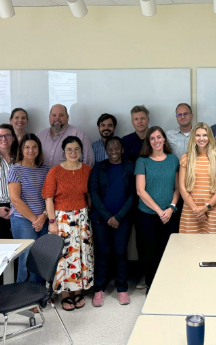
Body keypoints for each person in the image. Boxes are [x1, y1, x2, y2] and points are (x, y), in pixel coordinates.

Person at [43, 136, 93, 311]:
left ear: (81, 151)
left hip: (82, 219)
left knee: (80, 254)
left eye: (77, 149)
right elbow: (48, 198)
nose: (73, 153)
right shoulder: (55, 171)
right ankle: (65, 293)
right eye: (69, 150)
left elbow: (89, 195)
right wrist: (51, 222)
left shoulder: (87, 170)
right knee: (64, 257)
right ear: (63, 151)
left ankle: (78, 291)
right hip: (61, 219)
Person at [89, 137, 135, 307]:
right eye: (111, 149)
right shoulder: (98, 168)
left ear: (122, 150)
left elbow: (133, 195)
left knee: (121, 253)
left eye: (117, 148)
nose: (114, 151)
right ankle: (99, 289)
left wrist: (119, 217)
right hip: (102, 219)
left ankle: (122, 289)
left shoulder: (129, 167)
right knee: (102, 253)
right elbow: (93, 194)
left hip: (122, 219)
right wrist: (108, 216)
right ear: (106, 151)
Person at [135, 126, 180, 291]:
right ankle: (151, 286)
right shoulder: (142, 161)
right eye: (152, 138)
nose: (156, 141)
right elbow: (140, 190)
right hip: (148, 215)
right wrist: (159, 211)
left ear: (164, 139)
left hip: (170, 214)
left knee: (169, 251)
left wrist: (170, 208)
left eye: (159, 137)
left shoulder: (173, 160)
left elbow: (177, 188)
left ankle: (167, 286)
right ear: (148, 142)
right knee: (149, 252)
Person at [7, 134, 51, 283]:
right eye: (27, 147)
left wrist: (44, 216)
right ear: (21, 149)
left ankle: (38, 292)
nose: (31, 150)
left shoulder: (46, 170)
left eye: (34, 147)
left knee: (42, 256)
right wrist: (34, 220)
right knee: (26, 257)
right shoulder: (15, 170)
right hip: (23, 220)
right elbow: (15, 200)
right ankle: (24, 294)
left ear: (39, 149)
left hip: (43, 218)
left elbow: (50, 197)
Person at [179, 122, 216, 234]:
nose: (201, 139)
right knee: (189, 246)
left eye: (205, 135)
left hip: (212, 210)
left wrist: (206, 208)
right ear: (193, 137)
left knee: (211, 247)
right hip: (191, 210)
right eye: (198, 135)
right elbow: (182, 187)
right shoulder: (186, 158)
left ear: (209, 137)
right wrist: (196, 210)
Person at [122, 105, 150, 290]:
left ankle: (145, 275)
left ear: (148, 119)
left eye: (142, 118)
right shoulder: (125, 141)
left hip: (150, 198)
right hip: (128, 196)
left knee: (143, 239)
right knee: (124, 238)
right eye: (136, 119)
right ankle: (123, 277)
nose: (139, 122)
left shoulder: (155, 139)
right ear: (132, 121)